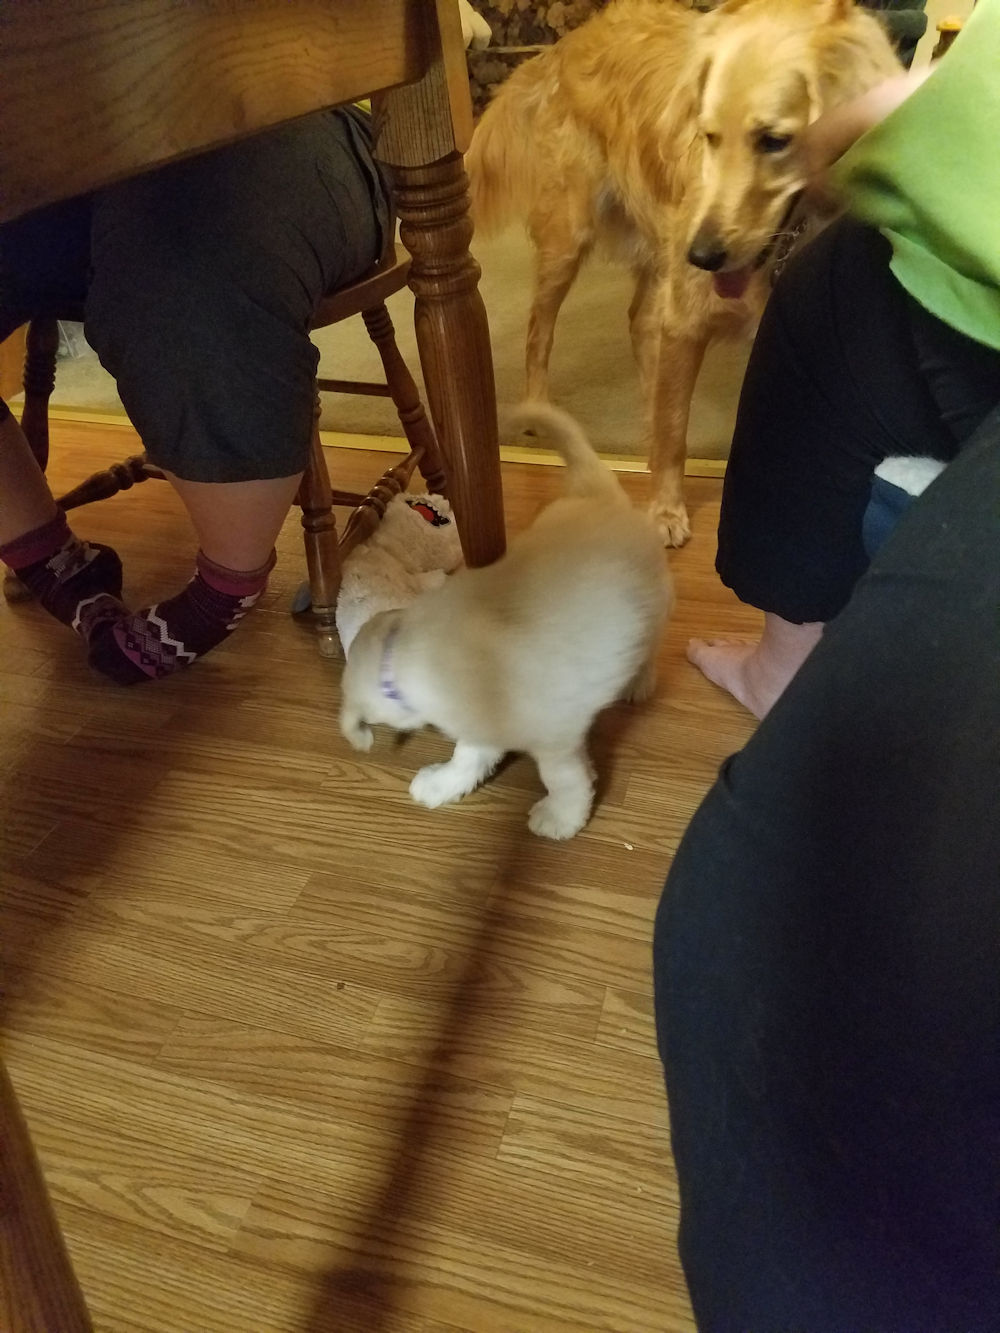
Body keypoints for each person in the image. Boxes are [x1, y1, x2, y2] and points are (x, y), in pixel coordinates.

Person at [654, 2, 1000, 1328]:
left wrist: (921, 140)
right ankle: (785, 660)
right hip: (935, 283)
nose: (718, 205)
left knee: (761, 930)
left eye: (766, 146)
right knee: (828, 287)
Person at [0, 108, 391, 683]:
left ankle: (225, 587)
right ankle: (48, 559)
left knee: (191, 262)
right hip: (64, 141)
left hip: (281, 110)